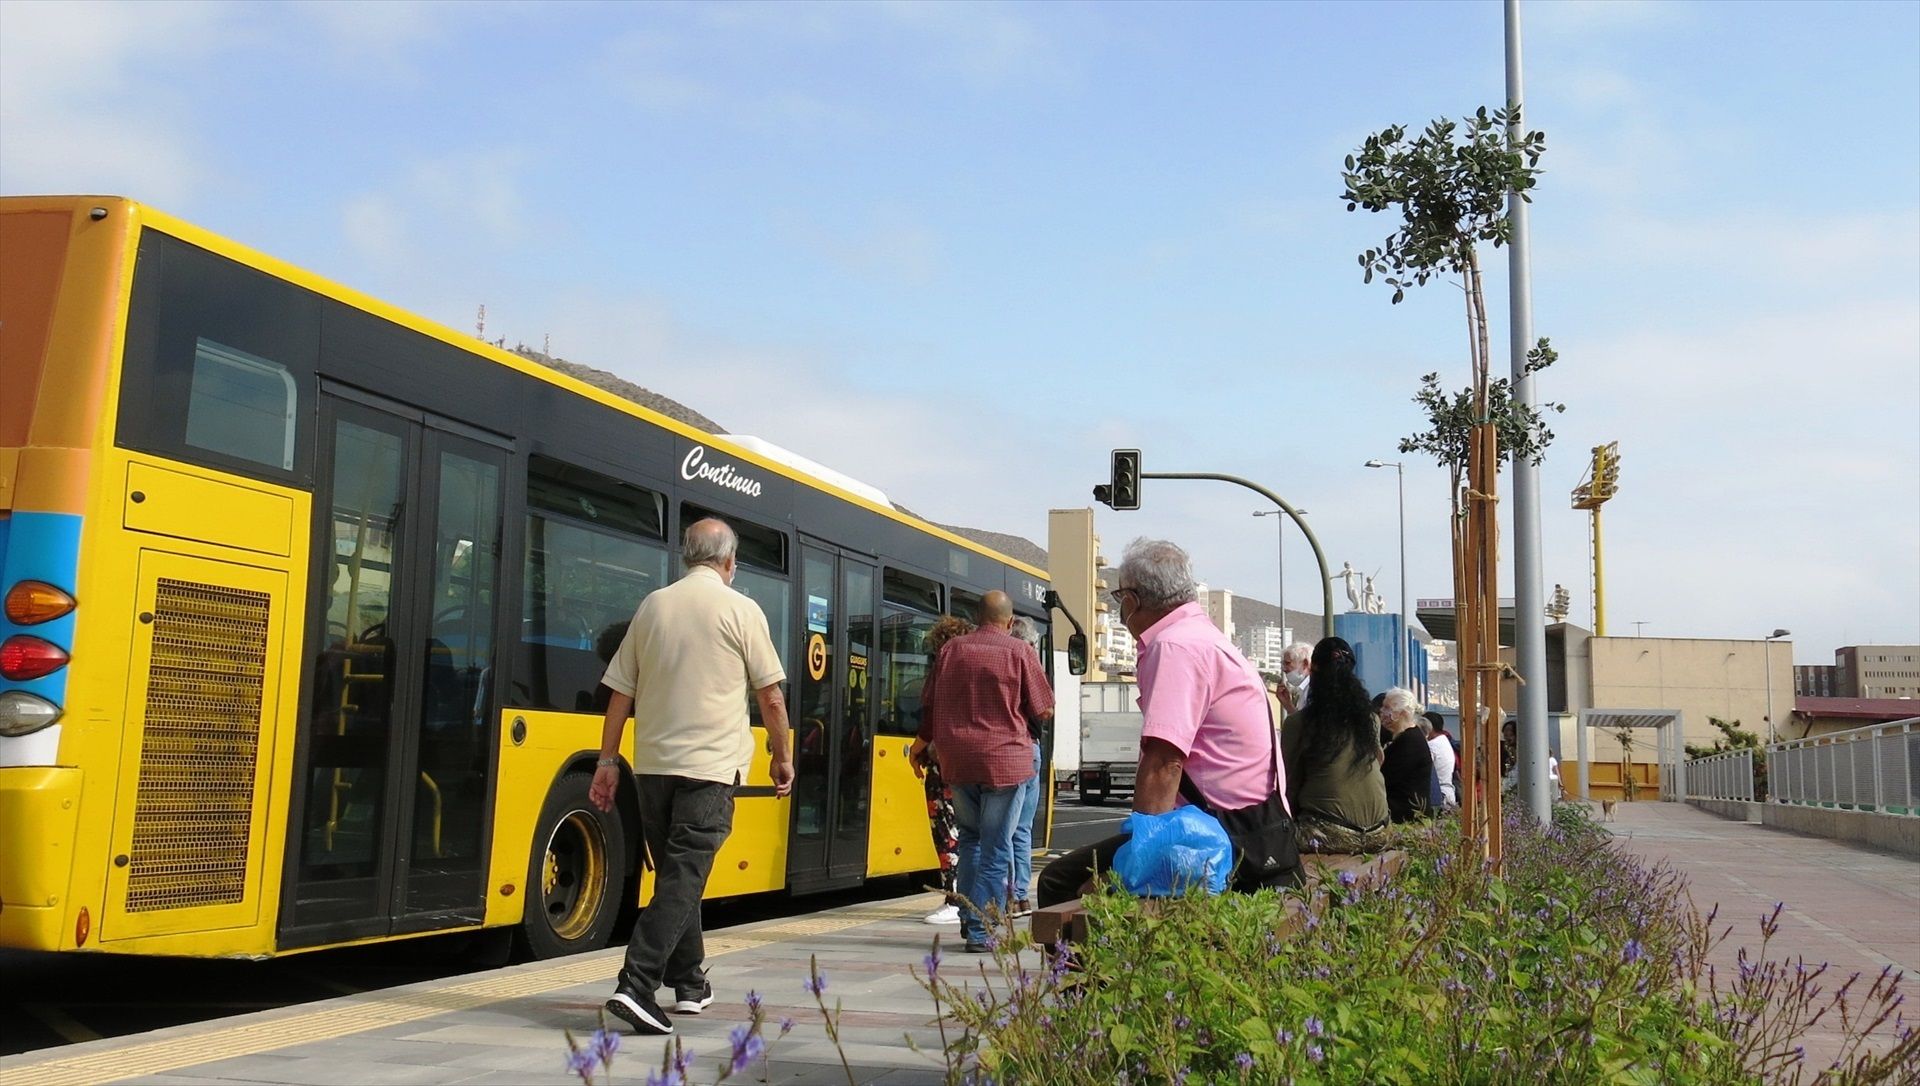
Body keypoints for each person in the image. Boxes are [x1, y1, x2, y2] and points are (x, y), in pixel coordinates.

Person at [593, 518, 793, 1037]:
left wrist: (607, 760)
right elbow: (770, 695)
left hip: (654, 767)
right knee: (684, 877)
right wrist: (782, 754)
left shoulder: (653, 605)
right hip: (710, 769)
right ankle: (637, 984)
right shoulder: (742, 609)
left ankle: (689, 983)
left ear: (688, 556)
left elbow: (620, 691)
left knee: (678, 876)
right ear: (730, 562)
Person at [1038, 538, 1291, 907]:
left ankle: (1090, 967)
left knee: (1060, 881)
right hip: (1259, 828)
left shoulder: (1175, 647)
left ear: (1133, 600)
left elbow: (1163, 764)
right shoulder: (1207, 638)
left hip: (1219, 839)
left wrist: (1141, 862)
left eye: (1118, 596)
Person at [915, 590, 1053, 952]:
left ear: (978, 618)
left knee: (971, 841)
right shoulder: (1020, 651)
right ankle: (980, 930)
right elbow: (1044, 708)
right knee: (996, 848)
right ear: (1009, 622)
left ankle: (968, 918)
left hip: (958, 762)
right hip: (1005, 763)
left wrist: (922, 745)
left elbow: (928, 705)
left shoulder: (951, 651)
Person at [1281, 637, 1390, 853]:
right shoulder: (1371, 720)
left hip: (1327, 833)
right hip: (1380, 832)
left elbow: (1287, 782)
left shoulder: (1299, 723)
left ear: (1313, 671)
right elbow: (1378, 760)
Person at [911, 616, 974, 925]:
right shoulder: (974, 668)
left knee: (946, 830)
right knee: (972, 832)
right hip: (972, 760)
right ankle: (975, 896)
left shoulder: (944, 669)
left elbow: (933, 715)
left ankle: (954, 898)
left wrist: (915, 750)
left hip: (944, 763)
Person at [1008, 615, 1048, 919]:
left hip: (1013, 751)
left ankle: (1011, 895)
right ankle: (1021, 896)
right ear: (1031, 643)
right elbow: (1045, 710)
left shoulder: (1007, 667)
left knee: (1005, 830)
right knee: (1022, 829)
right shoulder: (1033, 669)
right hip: (1032, 748)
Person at [1378, 687, 1433, 823]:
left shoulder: (1409, 741)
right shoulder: (1405, 737)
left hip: (1407, 818)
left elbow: (1386, 777)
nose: (1381, 712)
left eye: (1387, 708)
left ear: (1401, 713)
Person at [1426, 711, 1460, 809]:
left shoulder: (1432, 746)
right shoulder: (1444, 741)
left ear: (1429, 727)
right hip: (1448, 792)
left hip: (1438, 795)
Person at [1278, 642, 1312, 715]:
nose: (1284, 669)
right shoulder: (1304, 689)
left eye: (1287, 663)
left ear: (1305, 663)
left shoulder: (1313, 689)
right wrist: (1288, 705)